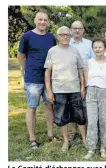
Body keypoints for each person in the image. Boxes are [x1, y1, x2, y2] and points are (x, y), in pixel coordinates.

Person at [17, 11, 57, 149]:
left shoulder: (51, 37)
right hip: (32, 78)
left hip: (48, 78)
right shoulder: (26, 36)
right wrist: (24, 70)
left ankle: (51, 135)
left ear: (48, 22)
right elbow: (21, 56)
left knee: (48, 106)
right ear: (35, 20)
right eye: (40, 19)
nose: (42, 22)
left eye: (45, 20)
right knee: (32, 107)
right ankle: (33, 138)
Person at [44, 26, 86, 151]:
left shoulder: (75, 51)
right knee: (61, 117)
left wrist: (82, 86)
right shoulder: (52, 51)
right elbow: (47, 72)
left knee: (80, 116)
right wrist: (49, 91)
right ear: (58, 36)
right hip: (59, 90)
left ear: (70, 36)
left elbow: (80, 69)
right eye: (62, 35)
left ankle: (84, 139)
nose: (65, 37)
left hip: (74, 89)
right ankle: (66, 141)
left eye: (67, 34)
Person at [83, 38, 106, 159]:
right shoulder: (90, 62)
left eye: (100, 47)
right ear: (93, 49)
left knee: (105, 120)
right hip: (91, 92)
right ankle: (91, 147)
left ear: (105, 48)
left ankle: (103, 146)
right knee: (92, 121)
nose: (97, 49)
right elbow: (87, 78)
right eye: (95, 47)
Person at [69, 20, 94, 142]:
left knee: (86, 106)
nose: (77, 30)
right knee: (72, 106)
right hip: (71, 80)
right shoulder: (66, 43)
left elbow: (93, 62)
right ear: (71, 30)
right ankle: (74, 131)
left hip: (87, 80)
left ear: (83, 30)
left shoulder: (89, 44)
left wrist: (88, 81)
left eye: (79, 28)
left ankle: (88, 130)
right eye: (74, 28)